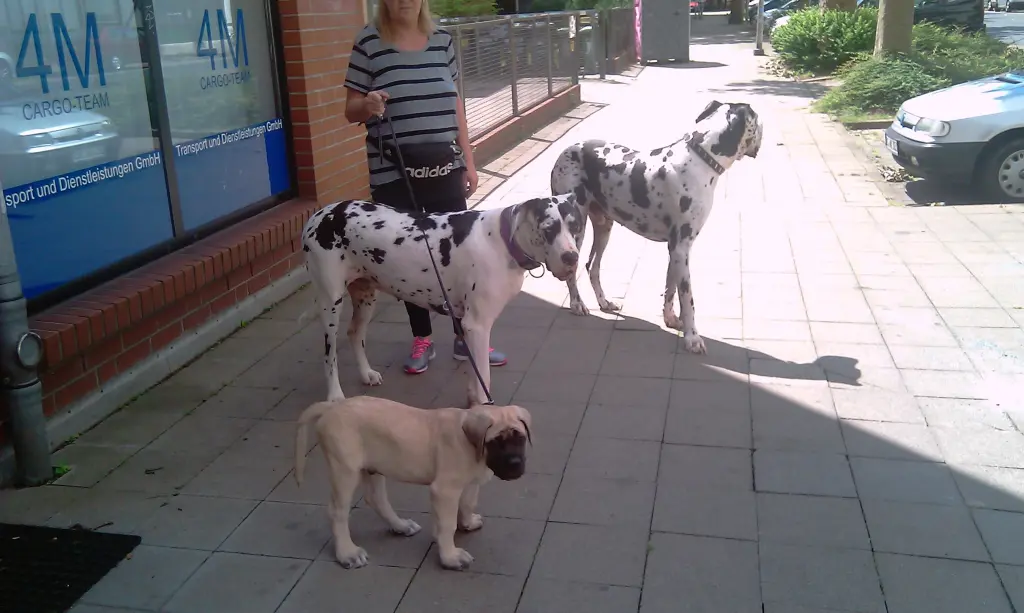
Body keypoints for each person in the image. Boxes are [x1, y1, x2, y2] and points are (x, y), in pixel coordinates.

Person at [343, 0, 507, 375]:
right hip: (393, 172)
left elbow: (454, 103)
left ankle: (466, 337)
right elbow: (350, 110)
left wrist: (468, 158)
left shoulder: (442, 41)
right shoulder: (368, 42)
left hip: (444, 167)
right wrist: (367, 104)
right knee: (408, 256)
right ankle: (422, 338)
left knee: (460, 253)